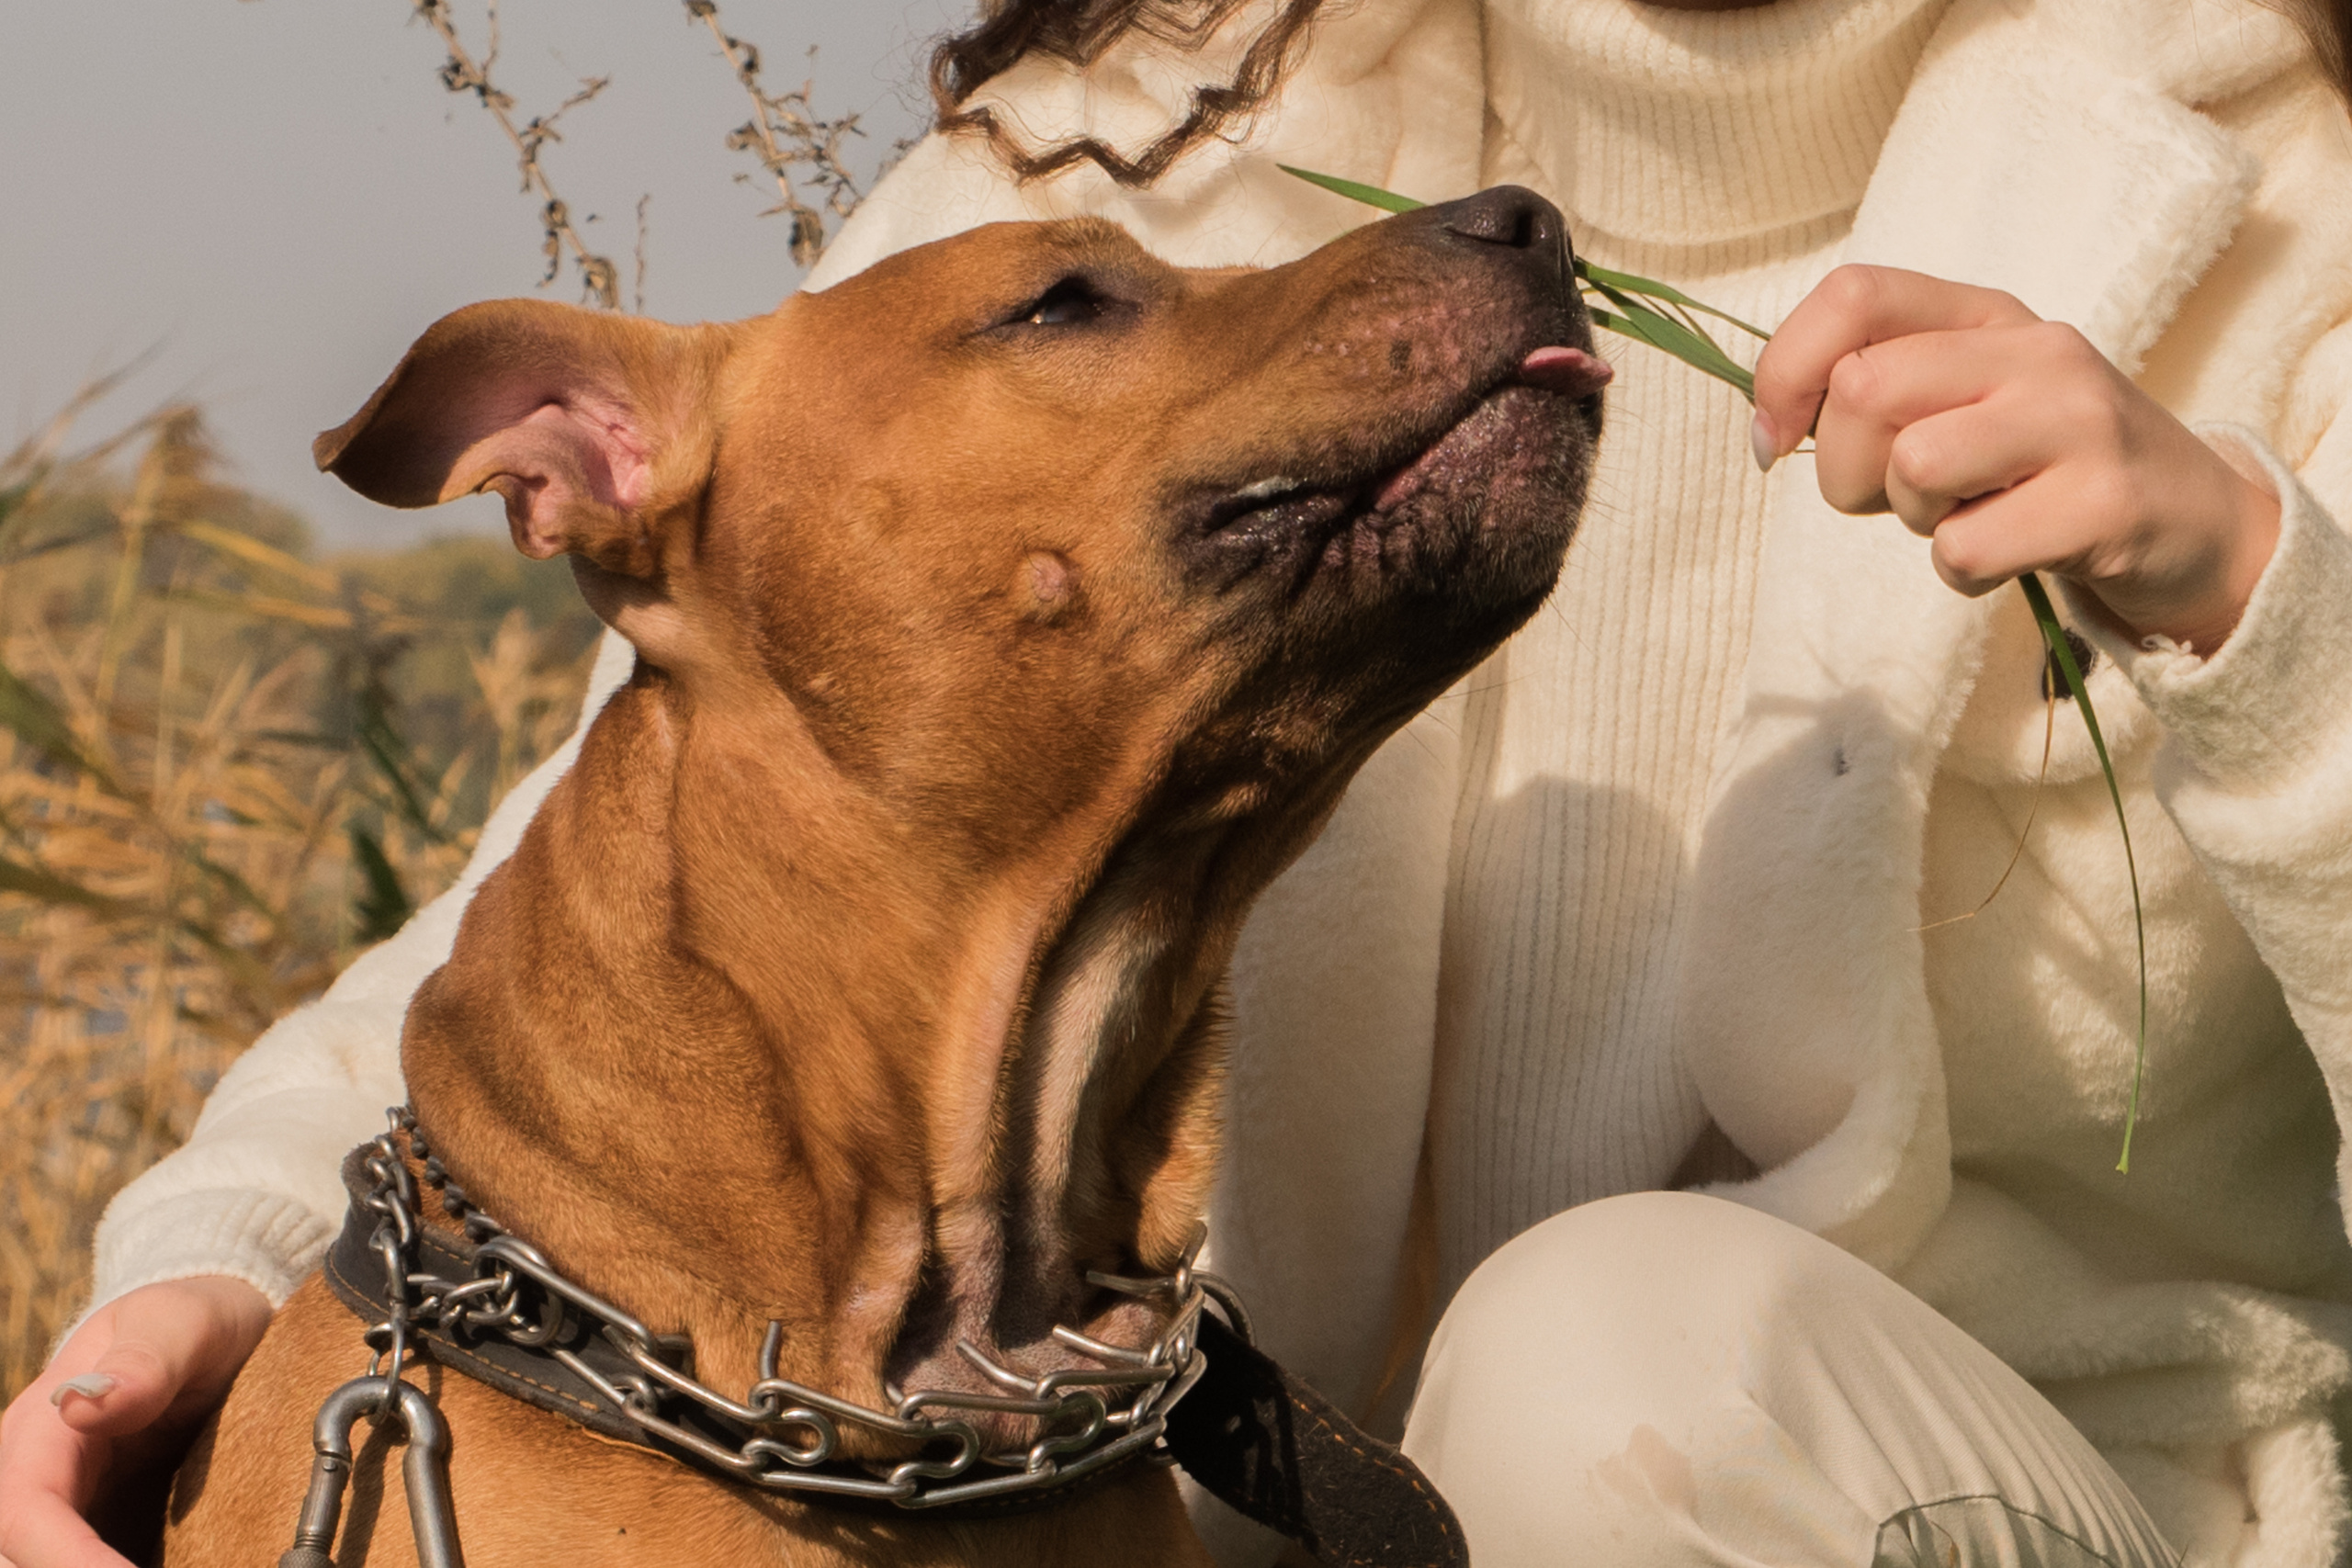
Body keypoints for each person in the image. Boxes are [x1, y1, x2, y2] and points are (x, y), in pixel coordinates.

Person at [8, 0, 2352, 1562]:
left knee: (1598, 1363)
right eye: (1075, 306)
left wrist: (2255, 596)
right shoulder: (1141, 136)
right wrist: (216, 1278)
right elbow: (663, 851)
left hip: (2041, 1495)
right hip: (1249, 1509)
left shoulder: (2277, 225)